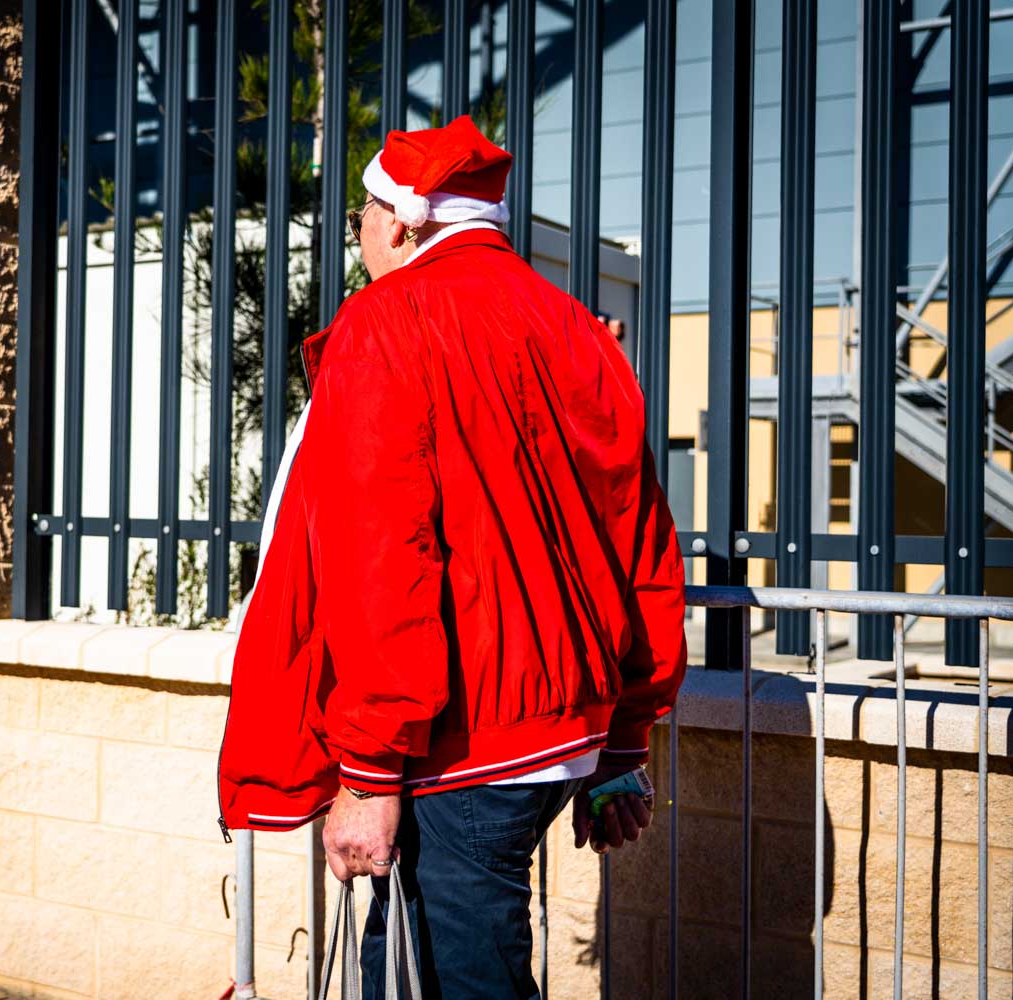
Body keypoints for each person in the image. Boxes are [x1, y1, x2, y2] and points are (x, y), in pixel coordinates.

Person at [217, 116, 687, 999]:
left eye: (361, 212)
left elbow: (379, 562)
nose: (357, 232)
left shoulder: (386, 322)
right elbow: (638, 537)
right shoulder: (575, 327)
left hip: (462, 745)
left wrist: (367, 771)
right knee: (401, 963)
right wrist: (624, 740)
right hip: (565, 730)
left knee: (456, 975)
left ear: (400, 221)